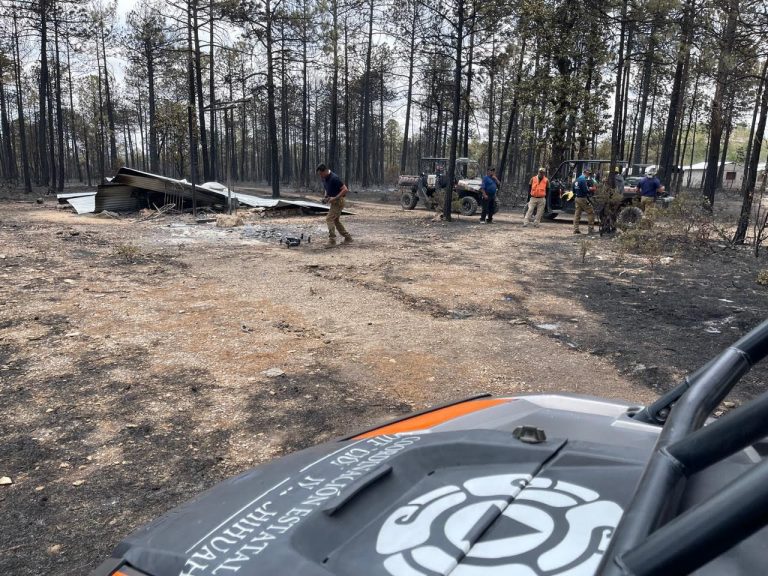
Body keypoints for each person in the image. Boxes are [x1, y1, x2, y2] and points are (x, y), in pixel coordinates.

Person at [316, 163, 352, 246]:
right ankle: (348, 237)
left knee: (329, 219)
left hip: (339, 202)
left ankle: (332, 240)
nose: (320, 176)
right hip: (334, 202)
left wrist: (335, 198)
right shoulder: (325, 178)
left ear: (325, 171)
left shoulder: (334, 178)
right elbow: (326, 188)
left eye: (321, 174)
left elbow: (345, 189)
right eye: (319, 174)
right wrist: (326, 197)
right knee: (335, 220)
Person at [573, 167, 596, 234]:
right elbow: (585, 190)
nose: (589, 175)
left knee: (577, 214)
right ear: (586, 173)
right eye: (589, 174)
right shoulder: (583, 180)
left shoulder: (576, 180)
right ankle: (591, 229)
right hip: (582, 198)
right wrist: (591, 189)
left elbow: (573, 190)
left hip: (577, 198)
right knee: (591, 212)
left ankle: (576, 229)